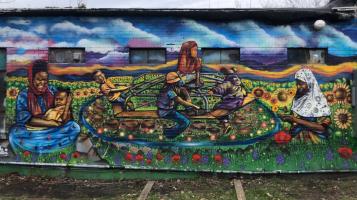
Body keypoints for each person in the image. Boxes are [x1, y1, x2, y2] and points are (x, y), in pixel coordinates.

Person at [9, 60, 80, 153]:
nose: (42, 83)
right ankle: (49, 144)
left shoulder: (52, 90)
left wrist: (67, 105)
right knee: (14, 133)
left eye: (44, 80)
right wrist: (51, 123)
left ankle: (41, 145)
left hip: (53, 129)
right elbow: (26, 119)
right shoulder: (24, 95)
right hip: (33, 129)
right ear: (32, 78)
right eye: (38, 79)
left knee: (74, 127)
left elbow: (63, 115)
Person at [280, 68, 331, 144]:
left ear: (309, 83)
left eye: (301, 83)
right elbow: (294, 120)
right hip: (296, 139)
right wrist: (288, 118)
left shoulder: (319, 101)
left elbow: (322, 128)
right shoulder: (298, 100)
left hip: (314, 140)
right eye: (297, 83)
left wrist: (296, 120)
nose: (298, 86)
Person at [156, 72, 200, 139]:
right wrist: (194, 106)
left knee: (182, 120)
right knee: (186, 122)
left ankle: (168, 132)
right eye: (177, 82)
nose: (179, 83)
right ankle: (169, 134)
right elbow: (181, 101)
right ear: (174, 83)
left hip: (163, 110)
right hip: (166, 112)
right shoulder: (170, 92)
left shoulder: (166, 89)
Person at [206, 67, 247, 134]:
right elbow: (244, 92)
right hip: (239, 100)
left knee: (218, 108)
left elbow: (222, 87)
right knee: (226, 112)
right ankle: (225, 124)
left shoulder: (228, 82)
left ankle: (225, 123)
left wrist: (213, 91)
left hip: (231, 101)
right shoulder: (238, 83)